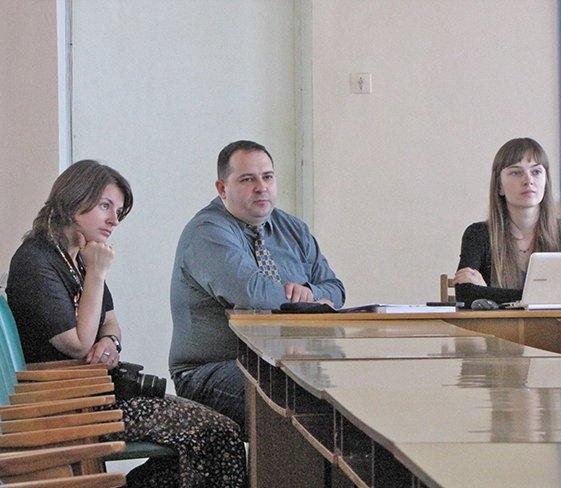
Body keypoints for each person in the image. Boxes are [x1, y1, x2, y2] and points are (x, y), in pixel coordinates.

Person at [6, 160, 246, 488]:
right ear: (74, 198)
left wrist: (111, 343)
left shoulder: (78, 256)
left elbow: (110, 323)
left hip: (97, 396)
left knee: (219, 432)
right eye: (105, 206)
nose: (114, 220)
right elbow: (77, 343)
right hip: (67, 406)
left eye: (118, 211)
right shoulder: (37, 260)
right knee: (216, 434)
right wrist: (97, 273)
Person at [169, 140, 345, 428]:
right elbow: (252, 294)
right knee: (299, 397)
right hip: (211, 370)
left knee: (345, 388)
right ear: (222, 188)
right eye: (247, 179)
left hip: (285, 361)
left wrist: (311, 293)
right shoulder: (206, 231)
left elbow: (335, 289)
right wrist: (307, 304)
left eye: (268, 177)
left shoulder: (293, 229)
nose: (261, 187)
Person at [453, 137, 561, 306]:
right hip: (493, 324)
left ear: (546, 182)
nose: (528, 180)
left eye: (536, 172)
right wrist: (544, 296)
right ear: (499, 186)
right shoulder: (478, 234)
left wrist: (487, 291)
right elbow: (465, 293)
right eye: (516, 172)